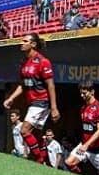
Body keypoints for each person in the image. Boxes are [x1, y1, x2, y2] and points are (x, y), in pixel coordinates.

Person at [3, 32, 60, 164]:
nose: (21, 43)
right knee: (36, 135)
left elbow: (50, 85)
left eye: (24, 41)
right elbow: (23, 85)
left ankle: (38, 159)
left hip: (41, 101)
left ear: (33, 44)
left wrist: (54, 107)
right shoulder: (24, 62)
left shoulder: (43, 62)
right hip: (32, 102)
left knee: (24, 130)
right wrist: (11, 98)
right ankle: (43, 157)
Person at [65, 81, 99, 175]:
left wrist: (86, 145)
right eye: (80, 93)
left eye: (84, 93)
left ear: (92, 92)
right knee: (69, 162)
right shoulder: (83, 108)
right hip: (85, 145)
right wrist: (84, 144)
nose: (82, 96)